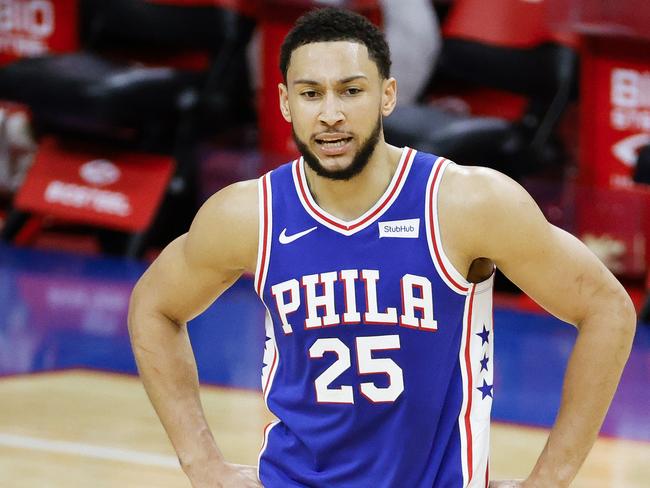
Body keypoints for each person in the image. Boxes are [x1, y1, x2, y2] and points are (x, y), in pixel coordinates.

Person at [128, 7, 636, 488]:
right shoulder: (249, 214)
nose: (330, 114)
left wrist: (551, 479)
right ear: (285, 101)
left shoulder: (465, 202)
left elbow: (606, 308)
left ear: (387, 95)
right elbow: (154, 306)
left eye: (351, 91)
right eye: (310, 94)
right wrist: (202, 464)